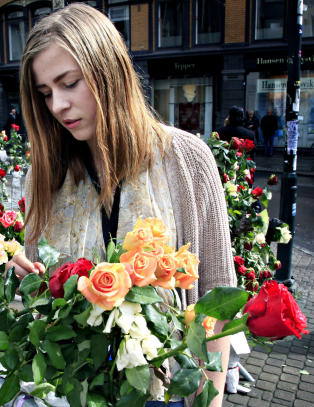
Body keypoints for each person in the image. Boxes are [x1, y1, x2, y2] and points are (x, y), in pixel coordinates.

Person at [6, 4, 237, 407]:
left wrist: (210, 402)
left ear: (108, 72)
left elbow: (218, 296)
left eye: (70, 83)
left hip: (162, 391)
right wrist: (19, 278)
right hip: (67, 392)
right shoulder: (44, 175)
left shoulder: (185, 159)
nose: (57, 105)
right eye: (45, 94)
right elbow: (40, 297)